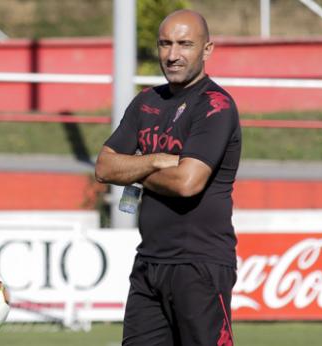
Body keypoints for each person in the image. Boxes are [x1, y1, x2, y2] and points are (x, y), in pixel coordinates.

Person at [95, 9, 241, 346]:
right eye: (165, 44)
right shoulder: (147, 101)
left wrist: (134, 168)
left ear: (207, 50)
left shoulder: (215, 106)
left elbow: (187, 183)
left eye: (185, 44)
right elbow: (104, 167)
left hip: (199, 266)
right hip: (149, 264)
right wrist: (159, 161)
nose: (173, 55)